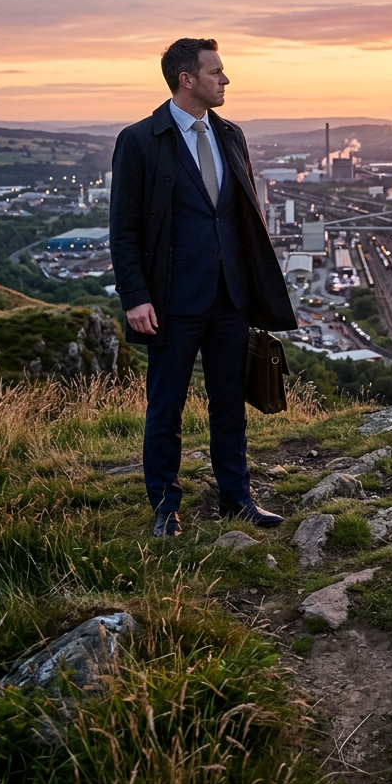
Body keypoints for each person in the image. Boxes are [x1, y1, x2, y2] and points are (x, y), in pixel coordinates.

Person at [110, 38, 297, 537]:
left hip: (230, 297)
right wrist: (135, 297)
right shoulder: (140, 140)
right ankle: (165, 507)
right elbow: (123, 227)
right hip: (170, 300)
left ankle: (237, 498)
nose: (226, 80)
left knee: (229, 401)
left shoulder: (231, 135)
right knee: (166, 405)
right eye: (216, 72)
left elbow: (241, 217)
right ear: (185, 79)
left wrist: (256, 289)